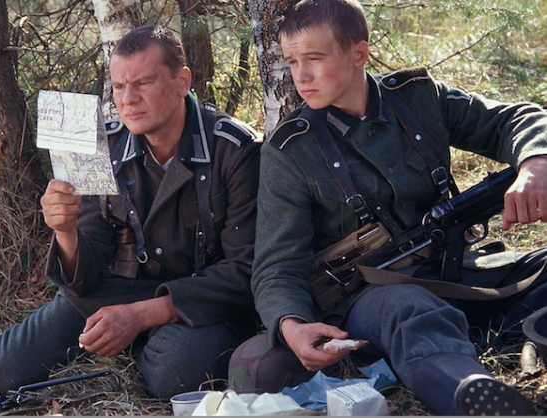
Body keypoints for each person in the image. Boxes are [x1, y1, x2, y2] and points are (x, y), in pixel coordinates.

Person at [228, 0, 547, 415]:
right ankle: (470, 394)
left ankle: (503, 338)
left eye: (314, 58)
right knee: (411, 311)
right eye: (292, 61)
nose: (300, 75)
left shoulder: (417, 99)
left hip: (457, 272)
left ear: (359, 54)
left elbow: (513, 120)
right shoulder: (291, 151)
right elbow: (276, 264)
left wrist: (535, 163)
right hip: (371, 298)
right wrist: (292, 324)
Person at [0, 26, 261, 399]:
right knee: (1, 369)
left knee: (175, 375)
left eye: (143, 83)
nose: (128, 99)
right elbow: (88, 275)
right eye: (119, 86)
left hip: (202, 304)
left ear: (182, 82)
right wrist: (66, 231)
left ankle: (139, 342)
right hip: (121, 293)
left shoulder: (234, 150)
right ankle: (96, 340)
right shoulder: (102, 145)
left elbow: (243, 271)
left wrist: (141, 317)